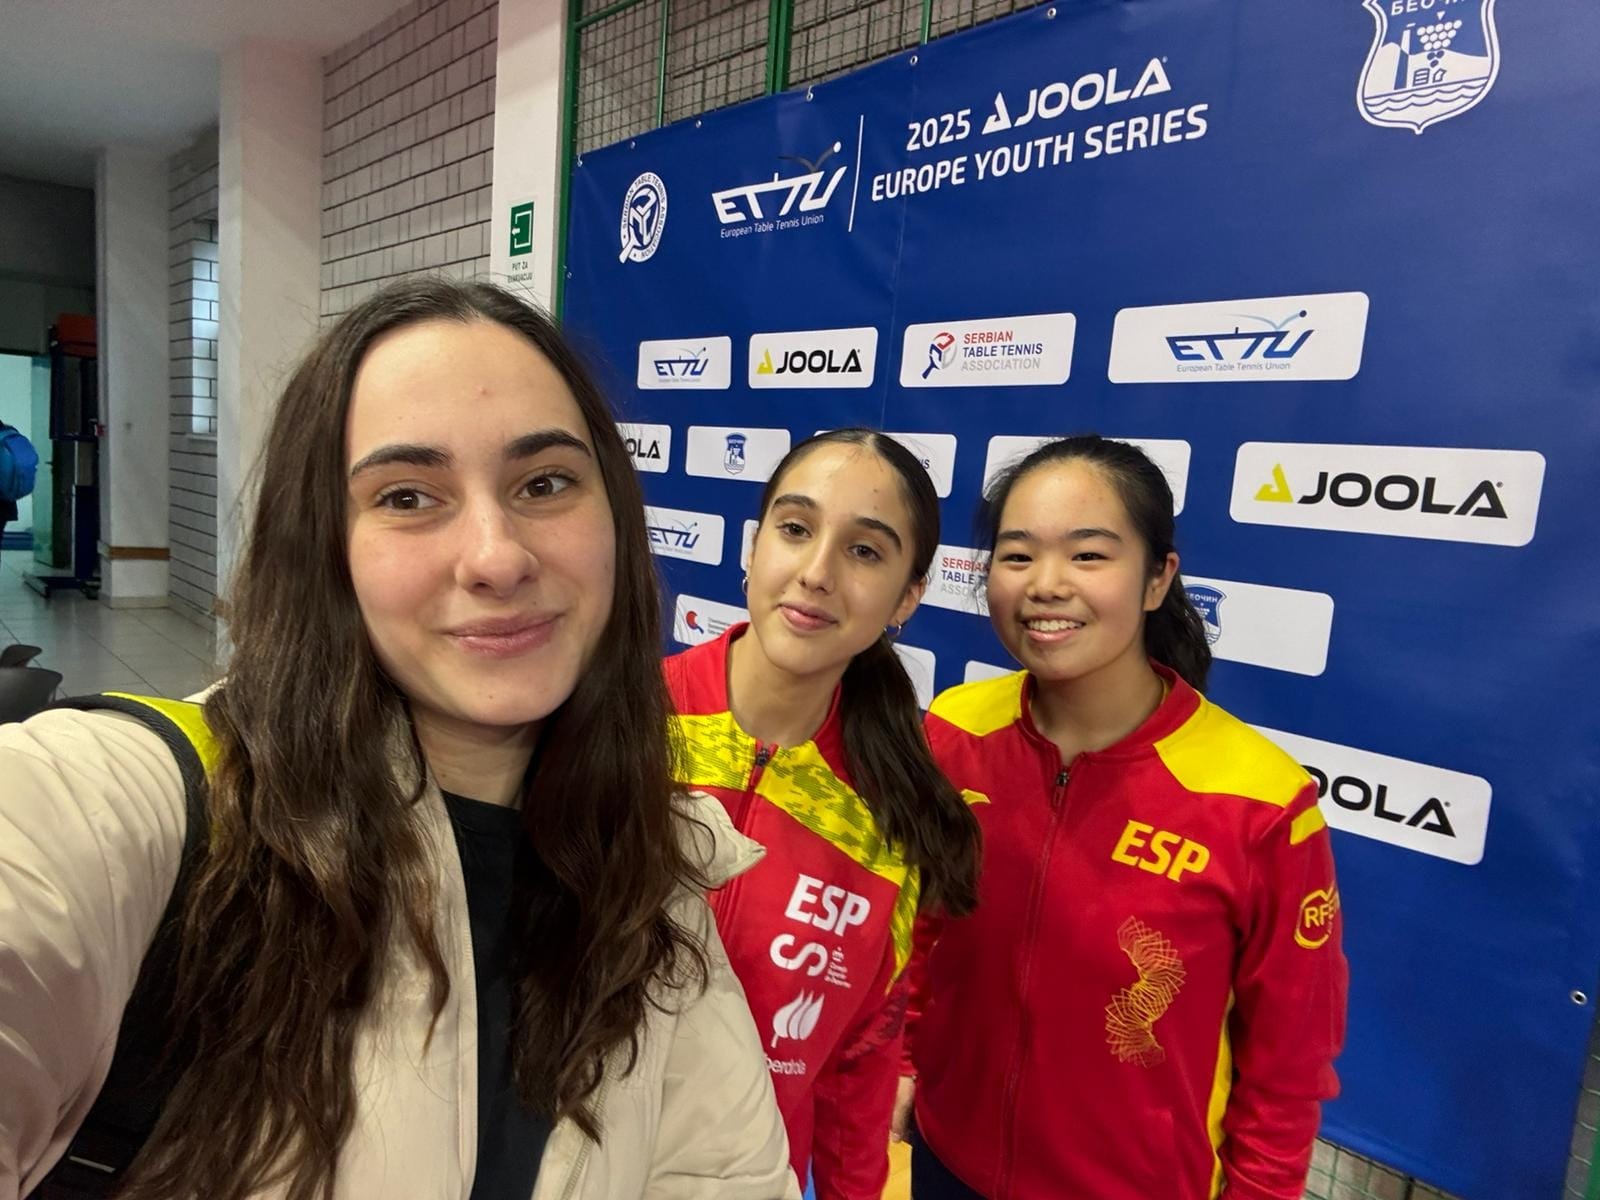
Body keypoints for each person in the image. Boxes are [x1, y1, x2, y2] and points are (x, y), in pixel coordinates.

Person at [0, 279, 798, 1200]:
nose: (497, 556)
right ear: (324, 545)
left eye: (545, 483)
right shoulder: (144, 813)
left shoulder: (655, 882)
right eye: (410, 496)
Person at [897, 435, 1347, 1200]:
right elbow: (925, 924)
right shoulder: (954, 730)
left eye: (1089, 555)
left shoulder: (1262, 803)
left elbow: (1289, 1065)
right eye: (1016, 556)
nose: (1046, 585)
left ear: (1157, 579)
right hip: (948, 1161)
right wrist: (905, 1059)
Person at [664, 429, 982, 1199]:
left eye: (866, 552)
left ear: (909, 595)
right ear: (755, 544)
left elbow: (859, 1066)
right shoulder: (619, 725)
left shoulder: (894, 819)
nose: (815, 573)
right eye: (796, 529)